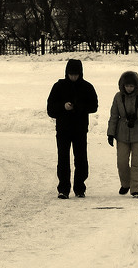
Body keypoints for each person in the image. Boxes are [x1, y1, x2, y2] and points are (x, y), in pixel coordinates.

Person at [46, 58, 98, 199]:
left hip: (80, 129)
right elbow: (50, 109)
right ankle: (63, 188)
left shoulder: (87, 87)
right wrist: (63, 107)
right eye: (71, 74)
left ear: (80, 73)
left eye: (76, 74)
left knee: (81, 158)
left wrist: (79, 106)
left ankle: (80, 187)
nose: (73, 77)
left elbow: (94, 106)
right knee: (63, 159)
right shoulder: (58, 87)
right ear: (66, 73)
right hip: (63, 129)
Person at [106, 70, 138, 198]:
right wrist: (110, 133)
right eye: (127, 86)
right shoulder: (118, 97)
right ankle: (126, 183)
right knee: (121, 162)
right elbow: (114, 116)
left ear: (136, 86)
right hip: (121, 134)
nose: (129, 88)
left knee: (136, 162)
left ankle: (136, 189)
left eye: (132, 86)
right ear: (122, 85)